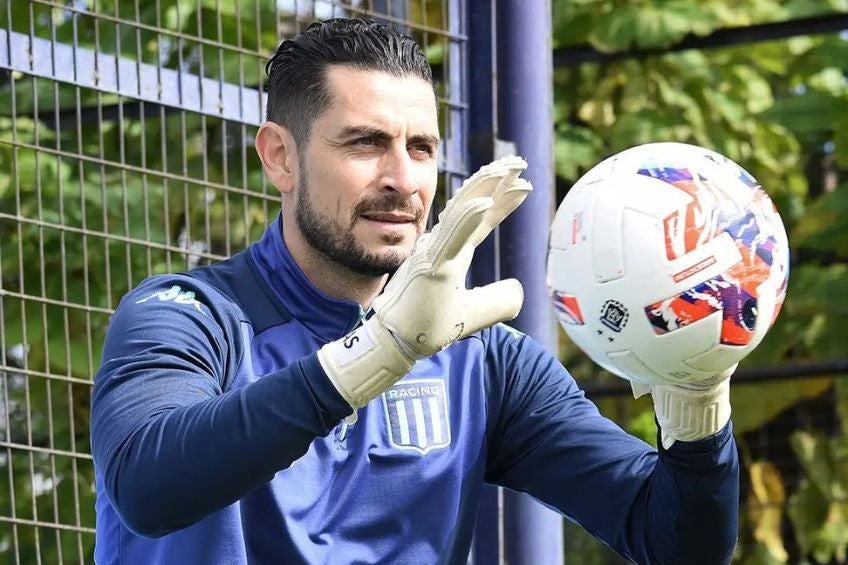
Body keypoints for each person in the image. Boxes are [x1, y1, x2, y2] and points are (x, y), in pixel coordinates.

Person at [90, 18, 739, 565]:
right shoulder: (187, 316)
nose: (403, 178)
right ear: (279, 157)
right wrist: (378, 353)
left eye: (422, 146)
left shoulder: (487, 361)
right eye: (366, 142)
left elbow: (675, 541)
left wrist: (696, 393)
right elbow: (147, 486)